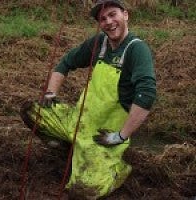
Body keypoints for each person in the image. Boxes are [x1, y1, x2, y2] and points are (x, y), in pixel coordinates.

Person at [21, 0, 156, 199]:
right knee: (31, 111)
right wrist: (51, 93)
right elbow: (65, 63)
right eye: (103, 19)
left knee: (84, 192)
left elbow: (147, 94)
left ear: (125, 15)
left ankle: (117, 170)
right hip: (79, 120)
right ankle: (68, 146)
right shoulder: (99, 42)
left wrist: (120, 136)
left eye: (113, 15)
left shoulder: (137, 50)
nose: (109, 22)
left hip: (103, 134)